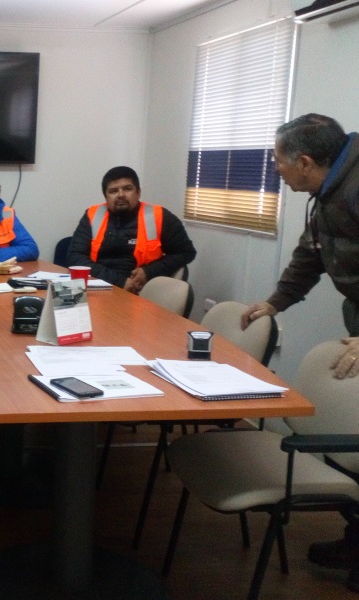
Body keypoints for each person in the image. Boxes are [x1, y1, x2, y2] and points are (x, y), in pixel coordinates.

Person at [240, 113, 359, 592]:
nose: (276, 170)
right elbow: (312, 254)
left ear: (306, 162)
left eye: (279, 162)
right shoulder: (328, 193)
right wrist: (276, 301)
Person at [66, 166, 196, 293]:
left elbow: (186, 252)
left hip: (138, 292)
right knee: (59, 298)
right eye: (113, 191)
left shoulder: (159, 216)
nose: (121, 195)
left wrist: (149, 271)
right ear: (106, 197)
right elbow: (75, 256)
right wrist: (119, 281)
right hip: (96, 287)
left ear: (138, 192)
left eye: (127, 189)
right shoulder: (92, 215)